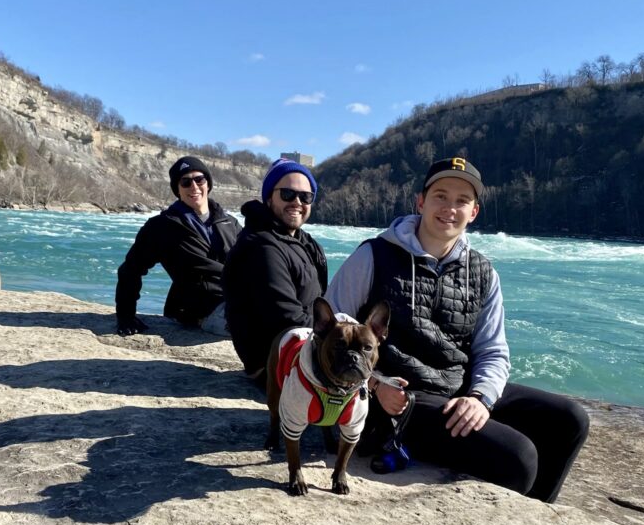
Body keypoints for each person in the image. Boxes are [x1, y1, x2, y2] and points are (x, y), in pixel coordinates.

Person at [325, 157, 588, 503]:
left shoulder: (482, 272)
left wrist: (481, 398)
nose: (450, 208)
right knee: (519, 459)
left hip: (456, 384)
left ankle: (535, 515)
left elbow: (493, 351)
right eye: (440, 196)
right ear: (421, 202)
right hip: (399, 401)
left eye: (462, 200)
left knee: (569, 420)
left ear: (474, 211)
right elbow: (328, 333)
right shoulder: (373, 256)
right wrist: (373, 383)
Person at [223, 158, 328, 389]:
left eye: (306, 196)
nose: (297, 202)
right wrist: (336, 337)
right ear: (270, 196)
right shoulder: (261, 247)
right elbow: (285, 319)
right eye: (288, 194)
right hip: (275, 364)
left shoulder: (305, 242)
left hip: (304, 350)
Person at [115, 156, 241, 336]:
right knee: (260, 328)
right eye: (186, 182)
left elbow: (254, 262)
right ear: (178, 189)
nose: (194, 187)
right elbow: (130, 269)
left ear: (208, 183)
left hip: (237, 299)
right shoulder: (162, 227)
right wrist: (126, 315)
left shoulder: (229, 222)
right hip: (201, 310)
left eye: (199, 179)